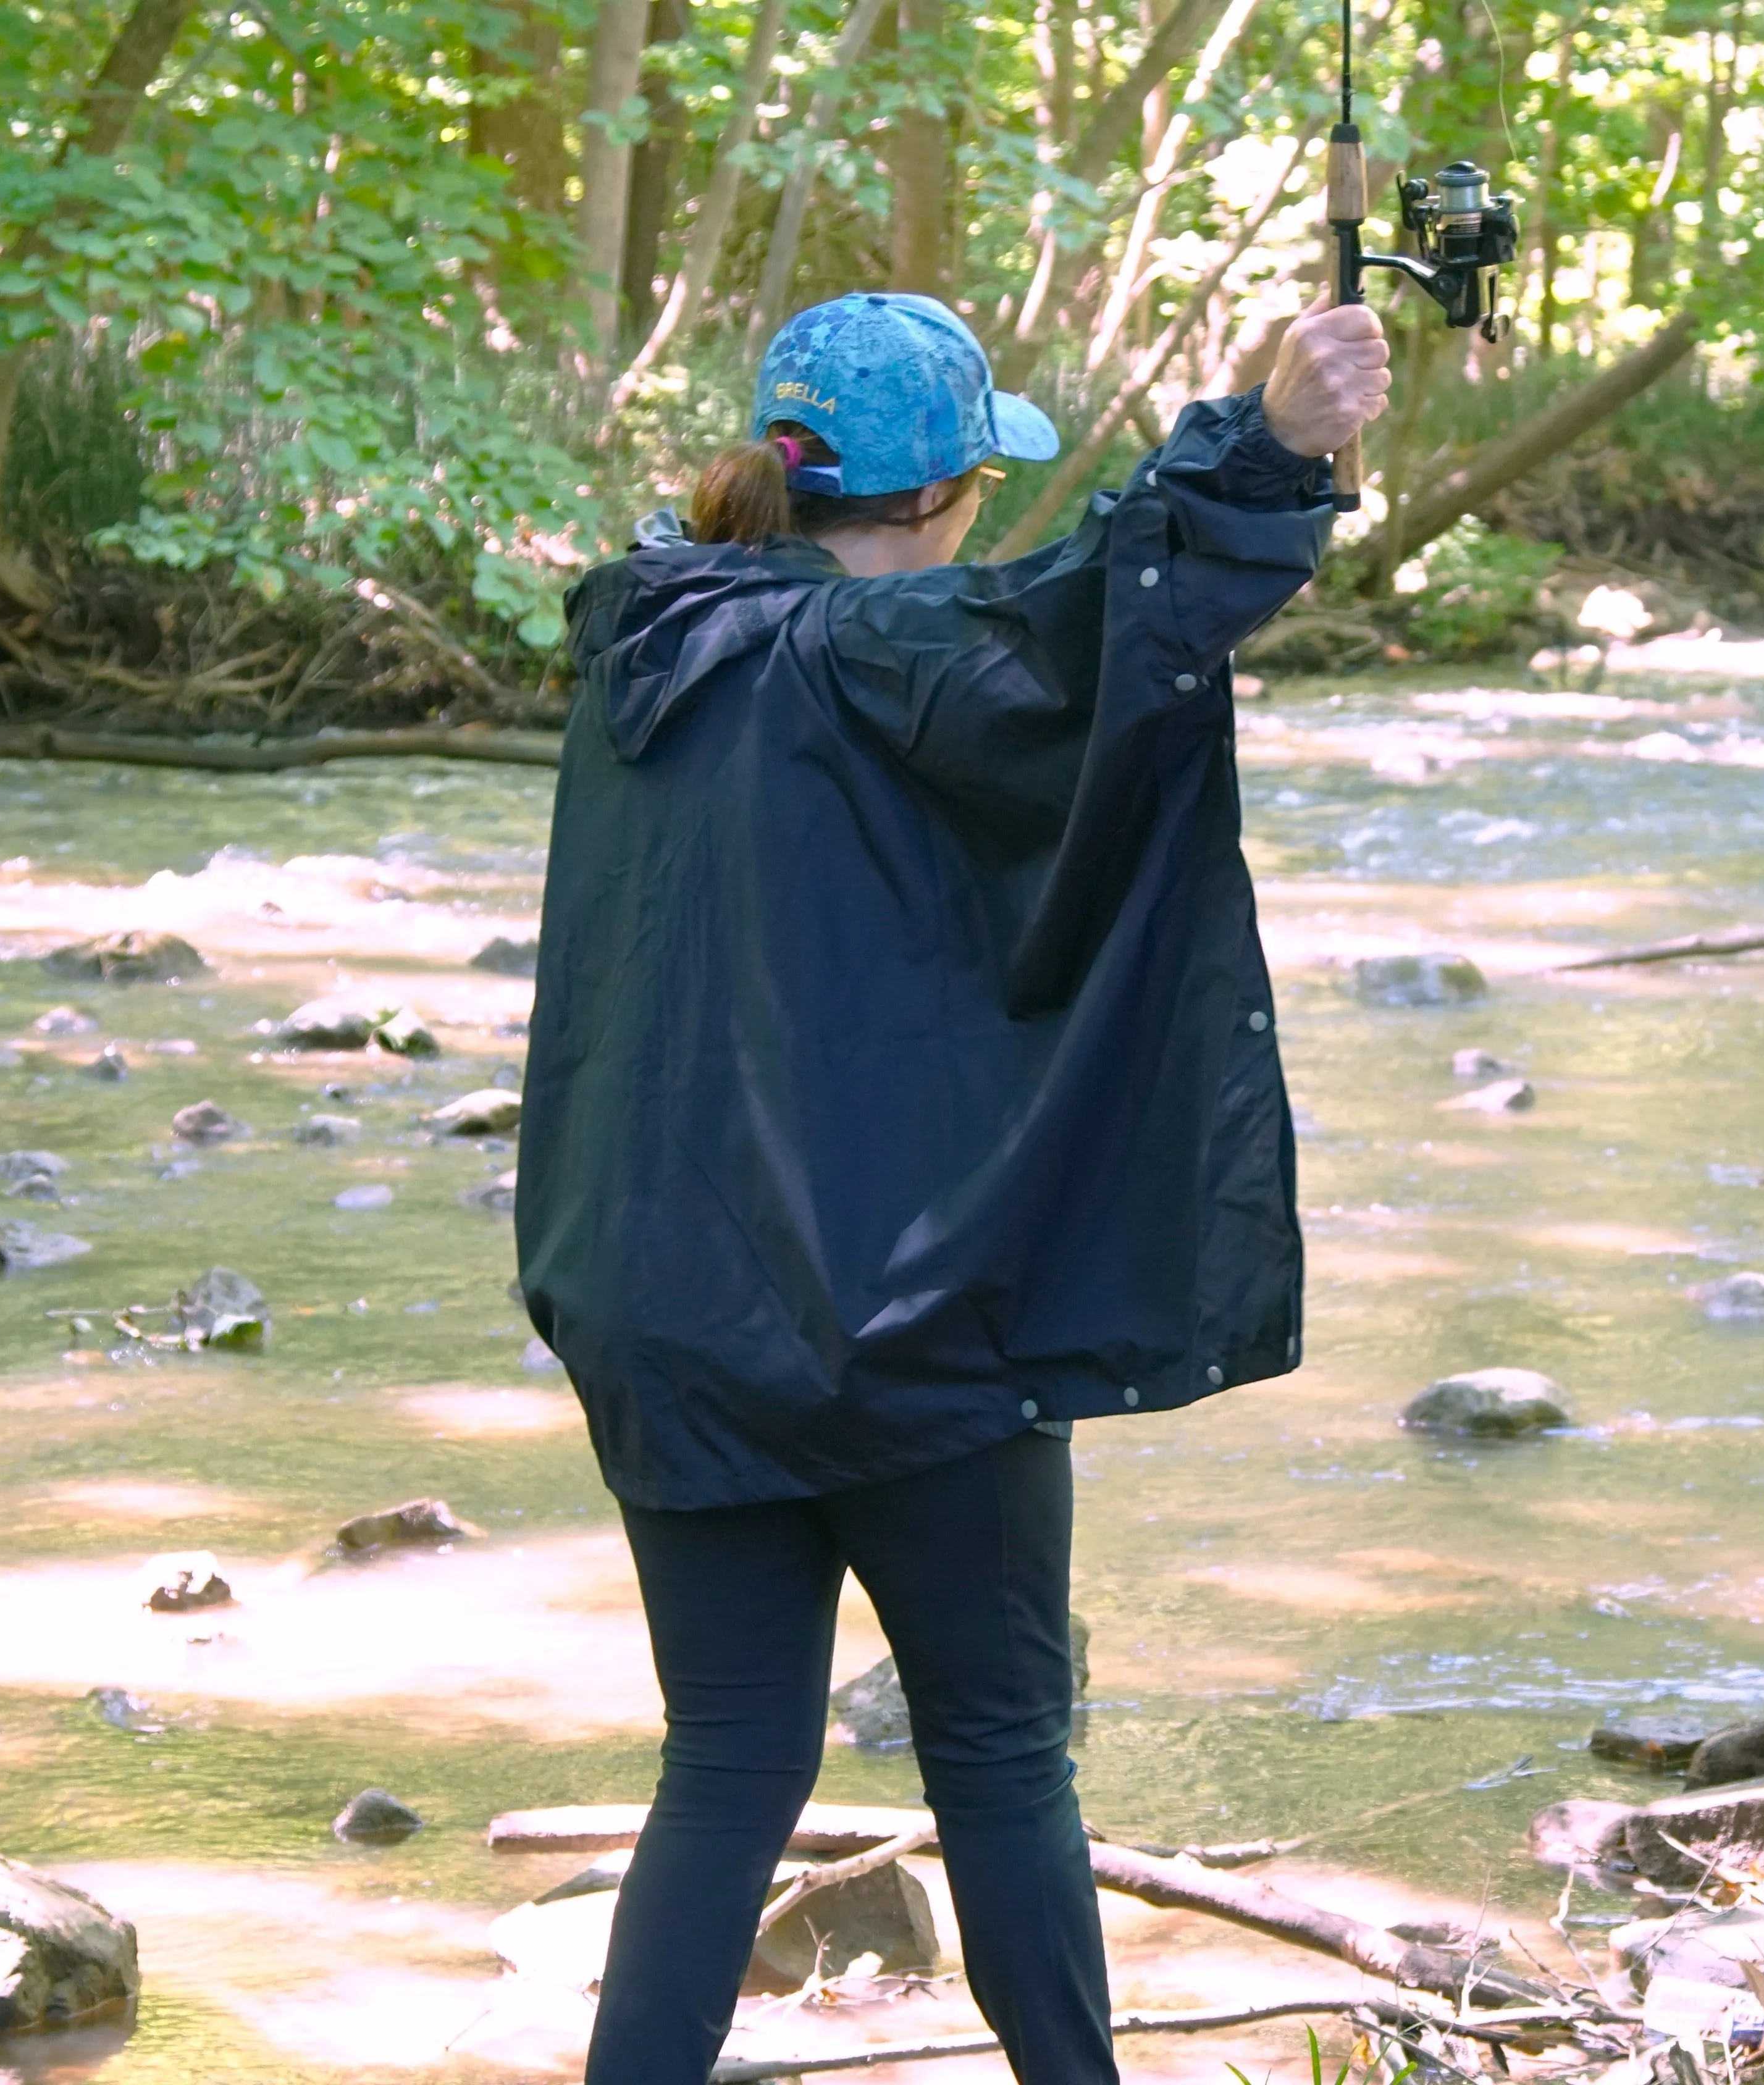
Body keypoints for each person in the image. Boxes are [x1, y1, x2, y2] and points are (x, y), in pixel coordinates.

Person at [516, 287, 1390, 2084]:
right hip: (902, 1332)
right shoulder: (882, 658)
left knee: (730, 1761)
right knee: (999, 1754)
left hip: (662, 1311)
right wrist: (1276, 440)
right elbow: (1088, 618)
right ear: (938, 495)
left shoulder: (648, 649)